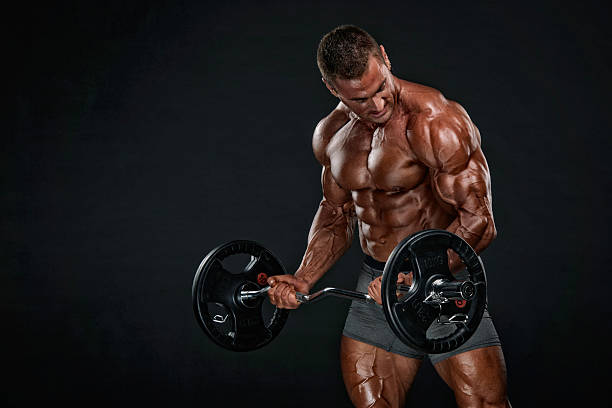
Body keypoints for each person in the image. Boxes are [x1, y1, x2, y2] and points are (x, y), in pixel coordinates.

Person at [266, 25, 510, 407]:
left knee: (485, 403)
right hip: (376, 286)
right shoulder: (332, 135)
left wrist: (415, 278)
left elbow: (479, 220)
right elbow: (336, 213)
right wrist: (304, 276)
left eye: (381, 87)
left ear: (384, 56)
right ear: (332, 89)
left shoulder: (434, 121)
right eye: (361, 99)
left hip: (440, 280)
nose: (378, 104)